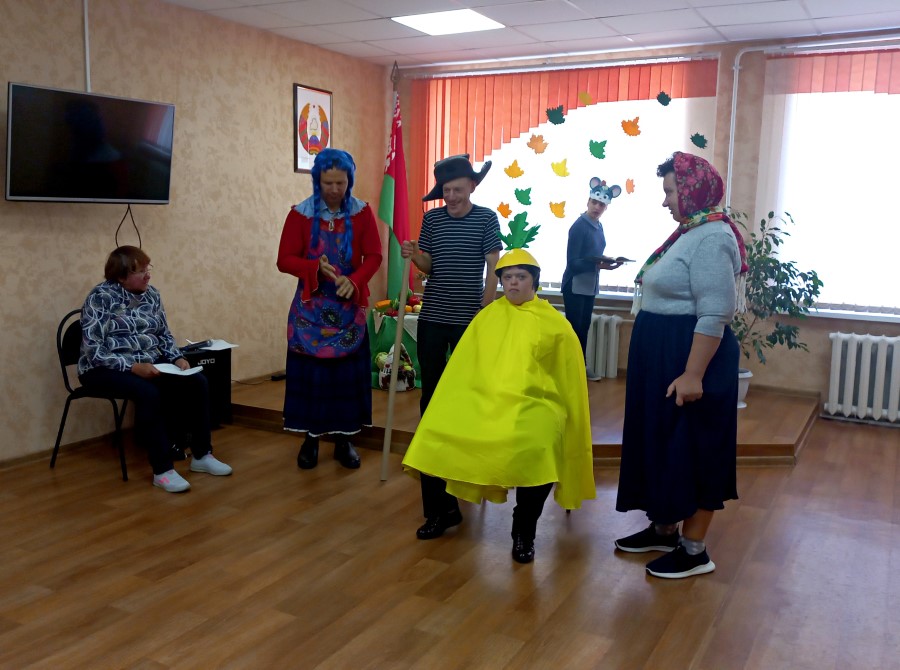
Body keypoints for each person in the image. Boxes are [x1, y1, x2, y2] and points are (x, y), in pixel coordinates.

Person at [402, 248, 595, 563]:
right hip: (482, 398)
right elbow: (463, 368)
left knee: (540, 444)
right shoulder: (487, 316)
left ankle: (523, 529)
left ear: (534, 281)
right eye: (508, 277)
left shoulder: (555, 324)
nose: (514, 283)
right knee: (433, 432)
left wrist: (561, 412)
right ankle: (442, 511)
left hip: (533, 403)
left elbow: (568, 380)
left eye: (521, 276)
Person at [614, 151, 747, 579]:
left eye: (671, 191)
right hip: (665, 354)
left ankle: (694, 551)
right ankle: (664, 528)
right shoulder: (690, 232)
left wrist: (693, 373)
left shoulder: (712, 237)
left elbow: (715, 312)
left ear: (693, 191)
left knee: (695, 447)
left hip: (692, 357)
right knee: (663, 443)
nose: (666, 200)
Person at [400, 153, 502, 540]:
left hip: (468, 322)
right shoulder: (432, 220)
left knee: (465, 401)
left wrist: (486, 308)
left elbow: (493, 266)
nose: (453, 196)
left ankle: (464, 483)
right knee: (430, 403)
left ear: (472, 187)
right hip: (433, 319)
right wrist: (415, 255)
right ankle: (438, 508)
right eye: (447, 190)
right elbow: (429, 265)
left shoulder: (486, 219)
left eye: (458, 189)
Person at [78, 246, 233, 493]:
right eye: (140, 271)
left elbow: (163, 334)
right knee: (148, 392)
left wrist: (177, 358)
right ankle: (163, 470)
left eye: (148, 268)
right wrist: (132, 367)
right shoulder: (100, 298)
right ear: (121, 276)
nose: (147, 275)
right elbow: (93, 351)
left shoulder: (152, 295)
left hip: (147, 362)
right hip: (101, 368)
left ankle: (202, 455)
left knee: (197, 382)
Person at [277, 148, 382, 470]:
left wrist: (356, 280)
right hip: (310, 313)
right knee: (313, 378)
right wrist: (313, 267)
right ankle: (310, 439)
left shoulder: (362, 213)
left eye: (341, 182)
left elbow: (374, 256)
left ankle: (344, 439)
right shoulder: (300, 215)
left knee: (344, 379)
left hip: (349, 312)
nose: (335, 189)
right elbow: (284, 260)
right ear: (316, 181)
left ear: (350, 180)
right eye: (328, 183)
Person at [560, 177, 625, 381]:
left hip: (589, 285)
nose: (597, 207)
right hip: (575, 286)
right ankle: (573, 370)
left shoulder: (598, 226)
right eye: (594, 202)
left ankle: (580, 367)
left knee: (584, 329)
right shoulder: (579, 227)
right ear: (588, 201)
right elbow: (573, 263)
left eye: (601, 205)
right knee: (575, 330)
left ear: (606, 207)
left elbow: (592, 255)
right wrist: (599, 264)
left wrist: (607, 261)